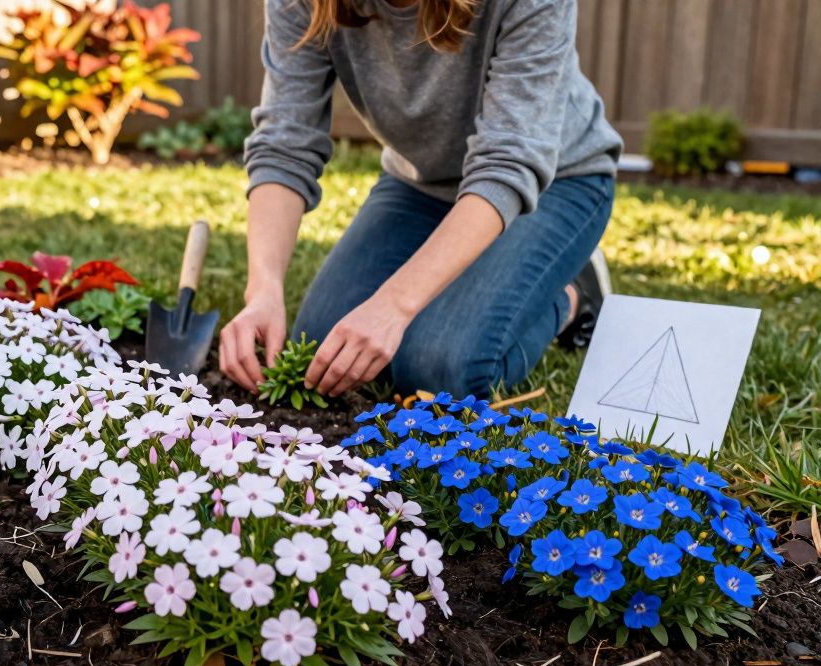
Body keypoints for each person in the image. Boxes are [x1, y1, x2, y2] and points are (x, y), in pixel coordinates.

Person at [220, 0, 623, 400]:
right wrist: (263, 291)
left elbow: (508, 164)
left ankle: (572, 294)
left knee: (438, 367)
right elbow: (284, 144)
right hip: (422, 185)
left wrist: (394, 306)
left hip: (554, 181)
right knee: (324, 345)